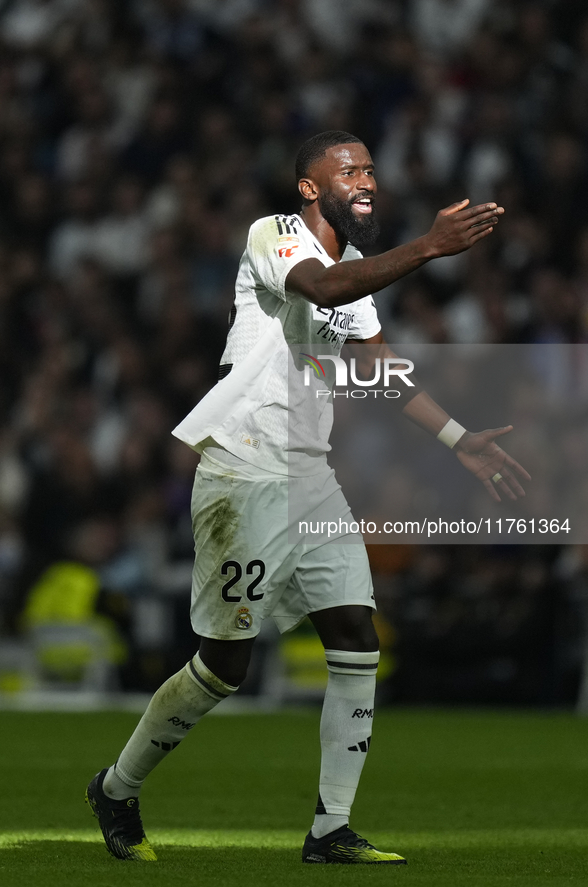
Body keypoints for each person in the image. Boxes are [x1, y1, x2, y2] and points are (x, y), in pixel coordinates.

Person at [86, 130, 530, 864]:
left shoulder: (356, 265)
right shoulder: (275, 235)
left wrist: (458, 439)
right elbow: (320, 290)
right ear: (308, 186)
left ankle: (330, 826)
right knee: (224, 666)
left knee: (357, 635)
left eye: (370, 169)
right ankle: (117, 784)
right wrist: (427, 246)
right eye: (348, 169)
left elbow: (376, 367)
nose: (366, 179)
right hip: (243, 468)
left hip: (310, 474)